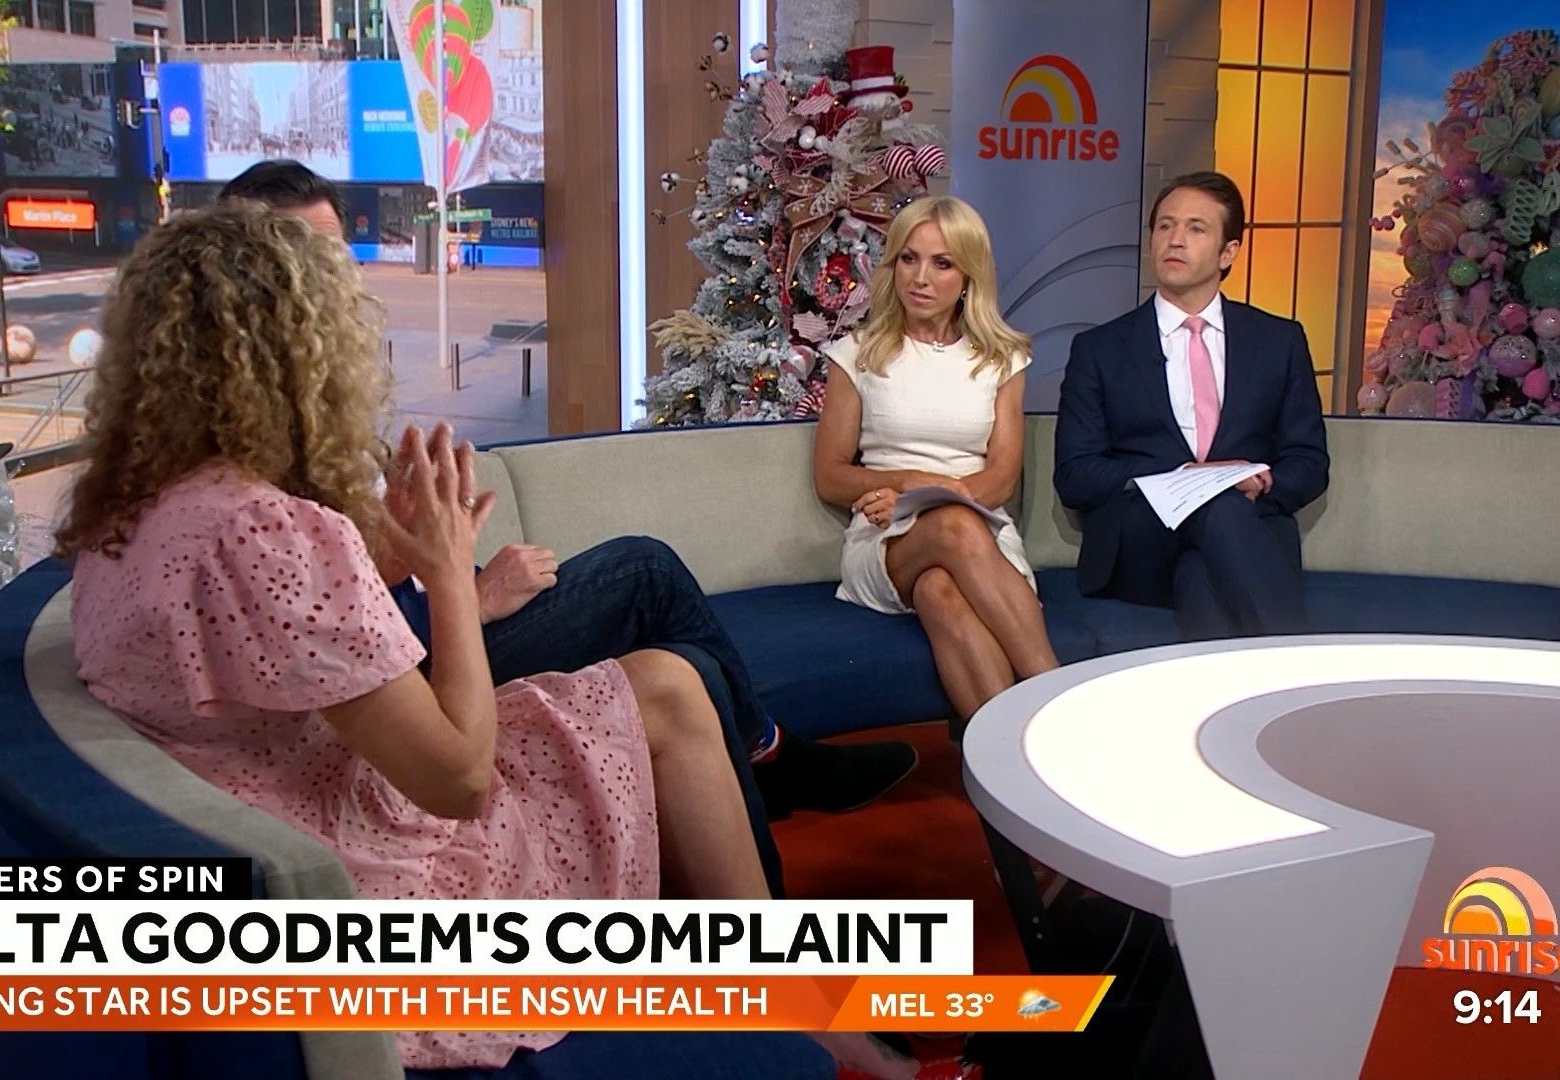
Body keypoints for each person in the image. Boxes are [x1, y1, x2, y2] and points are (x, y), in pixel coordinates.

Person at [58, 206, 776, 1070]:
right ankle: (792, 1015)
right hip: (361, 872)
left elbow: (272, 648)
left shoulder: (127, 514)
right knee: (668, 684)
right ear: (297, 356)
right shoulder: (263, 526)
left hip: (284, 816)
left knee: (665, 680)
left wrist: (389, 555)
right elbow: (458, 781)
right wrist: (448, 577)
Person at [217, 160, 920, 838]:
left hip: (448, 611)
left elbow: (374, 576)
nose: (333, 282)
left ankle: (761, 811)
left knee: (699, 669)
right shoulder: (247, 474)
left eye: (336, 256)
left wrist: (432, 554)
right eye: (302, 260)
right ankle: (778, 761)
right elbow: (348, 637)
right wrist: (470, 595)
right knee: (643, 570)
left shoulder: (317, 411)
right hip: (431, 660)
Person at [813, 195, 1059, 724]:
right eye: (909, 258)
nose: (920, 278)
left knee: (939, 588)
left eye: (942, 263)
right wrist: (908, 483)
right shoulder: (857, 353)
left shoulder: (1003, 360)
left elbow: (1002, 479)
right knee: (952, 527)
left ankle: (1003, 750)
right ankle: (1057, 698)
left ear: (968, 277)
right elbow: (830, 476)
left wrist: (941, 497)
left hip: (983, 534)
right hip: (885, 538)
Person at [1053, 171, 1329, 638]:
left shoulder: (1279, 341)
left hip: (1244, 533)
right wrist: (1186, 479)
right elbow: (1076, 475)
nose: (1175, 240)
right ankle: (1299, 659)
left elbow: (1309, 463)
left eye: (1195, 228)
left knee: (1202, 575)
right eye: (1165, 226)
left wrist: (1256, 483)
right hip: (1144, 538)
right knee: (1217, 508)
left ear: (1228, 252)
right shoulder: (1100, 349)